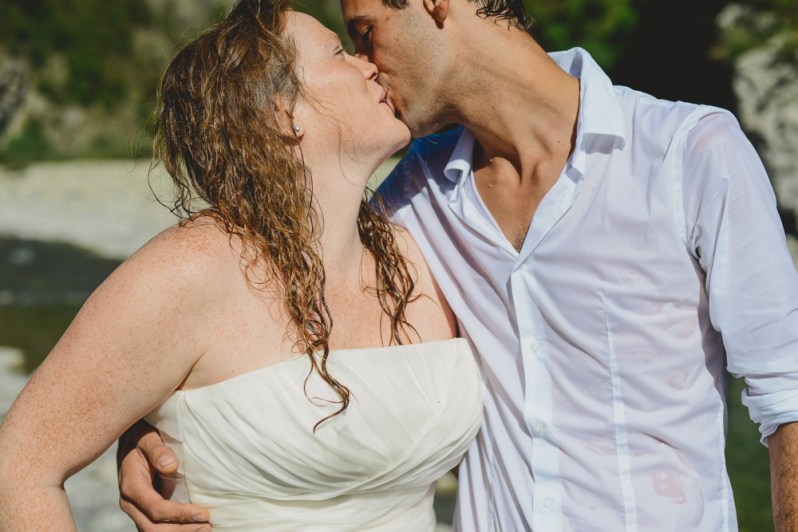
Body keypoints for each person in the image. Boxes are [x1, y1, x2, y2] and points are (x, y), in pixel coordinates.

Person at [119, 0, 798, 530]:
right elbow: (277, 309)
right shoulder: (412, 195)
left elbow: (788, 399)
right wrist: (155, 429)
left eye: (366, 33)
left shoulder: (689, 154)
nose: (365, 66)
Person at [0, 1, 485, 530]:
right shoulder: (188, 273)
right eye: (338, 52)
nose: (368, 64)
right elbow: (19, 469)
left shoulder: (422, 254)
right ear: (283, 112)